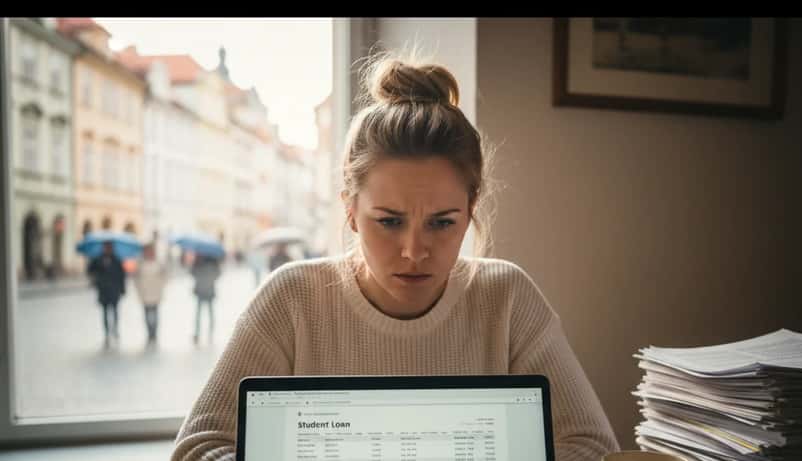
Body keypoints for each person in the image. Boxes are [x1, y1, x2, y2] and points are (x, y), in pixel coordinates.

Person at [172, 52, 619, 460]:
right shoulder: (293, 299)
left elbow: (592, 446)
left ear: (471, 210)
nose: (414, 251)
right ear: (350, 210)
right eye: (388, 221)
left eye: (442, 223)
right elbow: (198, 448)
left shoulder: (506, 297)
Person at [86, 240, 125, 347]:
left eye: (109, 247)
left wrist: (122, 289)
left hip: (114, 290)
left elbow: (122, 275)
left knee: (115, 311)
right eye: (106, 247)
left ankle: (115, 329)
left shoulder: (117, 259)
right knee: (104, 312)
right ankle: (107, 333)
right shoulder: (98, 259)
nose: (108, 249)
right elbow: (90, 270)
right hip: (103, 290)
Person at [133, 243, 168, 344]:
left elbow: (165, 276)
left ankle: (154, 333)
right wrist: (139, 290)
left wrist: (161, 287)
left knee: (155, 314)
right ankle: (149, 332)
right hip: (145, 293)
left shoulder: (159, 263)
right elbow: (136, 279)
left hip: (156, 292)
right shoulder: (140, 263)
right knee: (147, 314)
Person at [190, 253, 221, 344]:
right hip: (209, 290)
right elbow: (218, 274)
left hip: (200, 290)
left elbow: (192, 273)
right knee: (210, 313)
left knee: (199, 314)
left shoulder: (198, 262)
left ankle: (197, 333)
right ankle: (210, 333)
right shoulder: (213, 262)